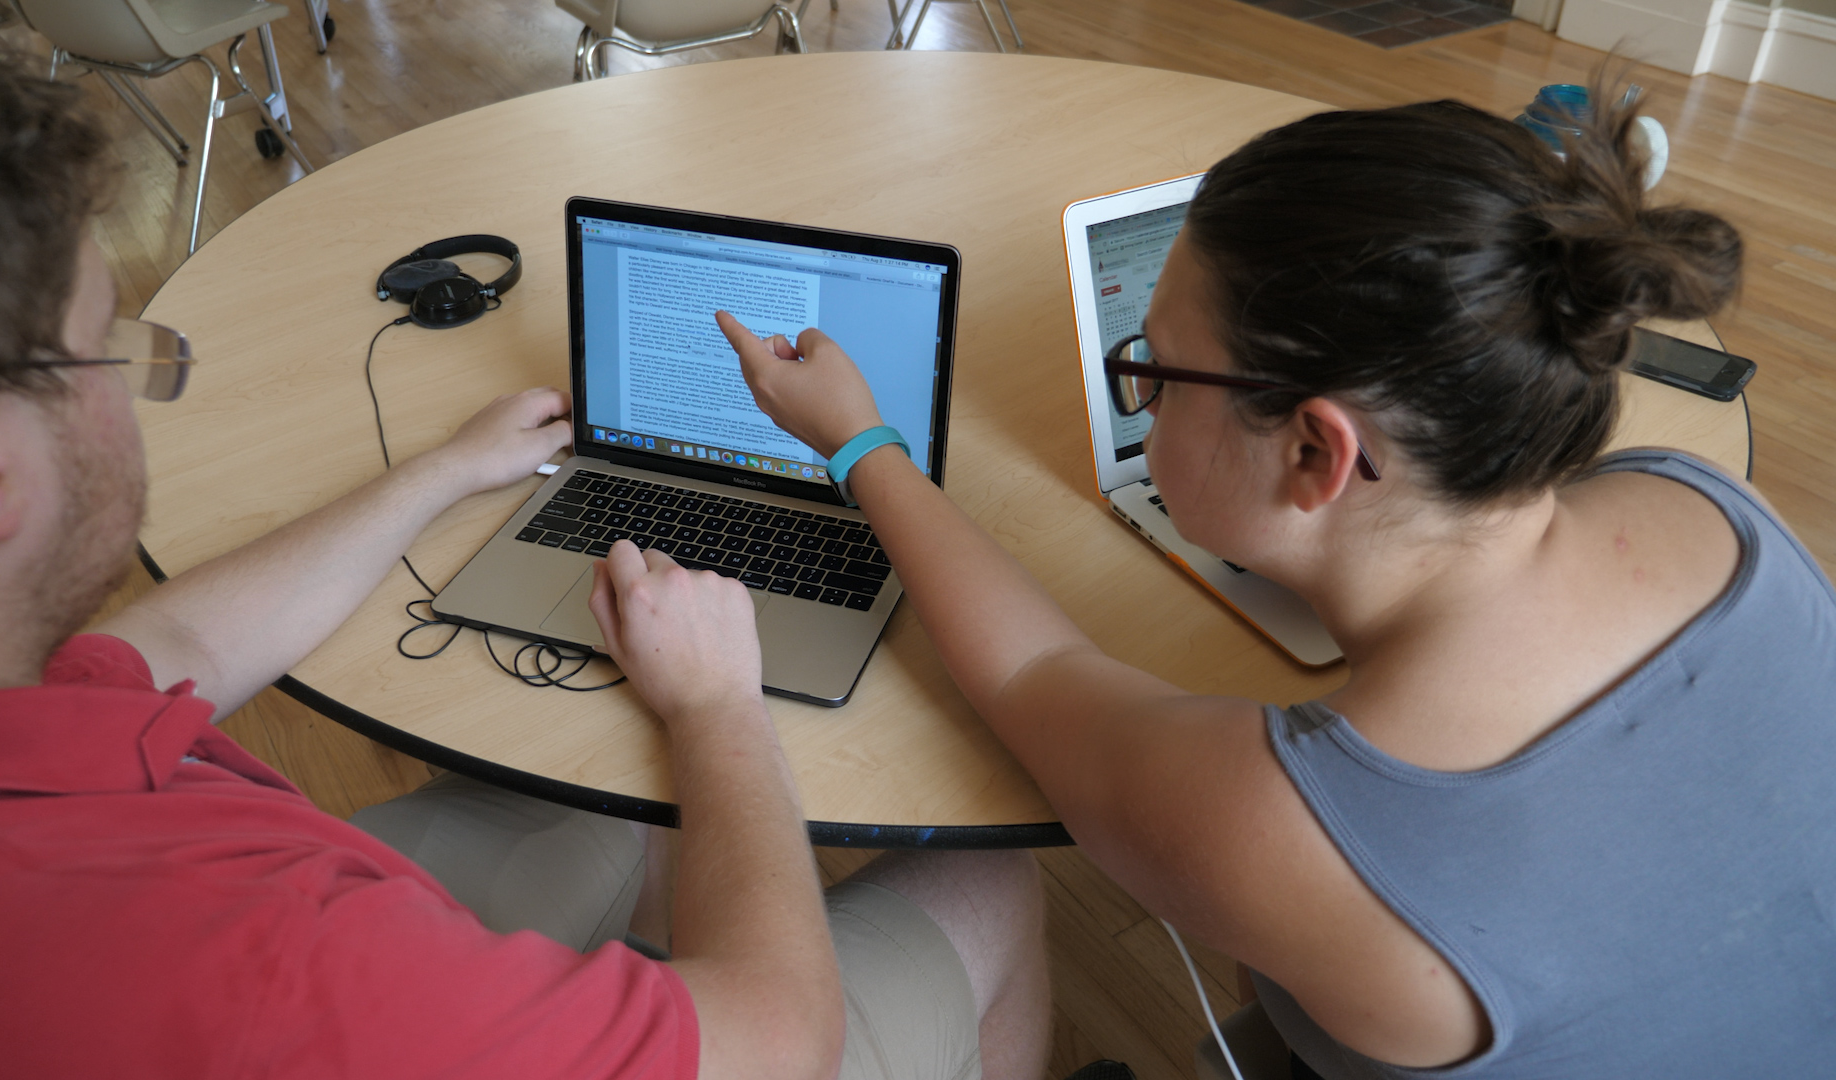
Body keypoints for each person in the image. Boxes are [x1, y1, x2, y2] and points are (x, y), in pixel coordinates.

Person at [0, 24, 1048, 1080]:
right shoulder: (267, 958)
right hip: (419, 989)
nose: (134, 387)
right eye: (105, 347)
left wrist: (444, 471)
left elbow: (160, 649)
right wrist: (717, 708)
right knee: (988, 872)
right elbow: (779, 1040)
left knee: (613, 773)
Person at [717, 88, 1836, 1078]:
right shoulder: (1702, 499)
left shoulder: (1288, 821)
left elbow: (1034, 671)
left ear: (1316, 455)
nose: (1136, 392)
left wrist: (861, 442)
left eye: (1148, 368)